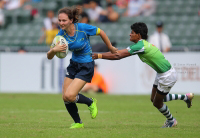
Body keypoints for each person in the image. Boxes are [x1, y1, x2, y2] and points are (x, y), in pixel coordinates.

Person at [92, 22, 194, 128]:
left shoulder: (141, 45)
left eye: (132, 32)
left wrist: (99, 55)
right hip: (162, 73)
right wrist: (99, 55)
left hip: (167, 75)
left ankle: (171, 120)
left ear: (138, 35)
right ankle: (185, 97)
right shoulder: (143, 44)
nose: (129, 34)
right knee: (154, 99)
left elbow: (118, 56)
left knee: (157, 103)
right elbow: (118, 53)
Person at [47, 6, 117, 129]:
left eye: (64, 20)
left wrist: (110, 48)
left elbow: (101, 32)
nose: (61, 23)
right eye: (59, 20)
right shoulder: (61, 35)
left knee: (70, 95)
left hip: (87, 65)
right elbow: (49, 56)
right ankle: (78, 122)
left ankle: (90, 102)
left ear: (71, 20)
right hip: (74, 64)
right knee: (65, 97)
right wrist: (54, 50)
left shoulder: (83, 28)